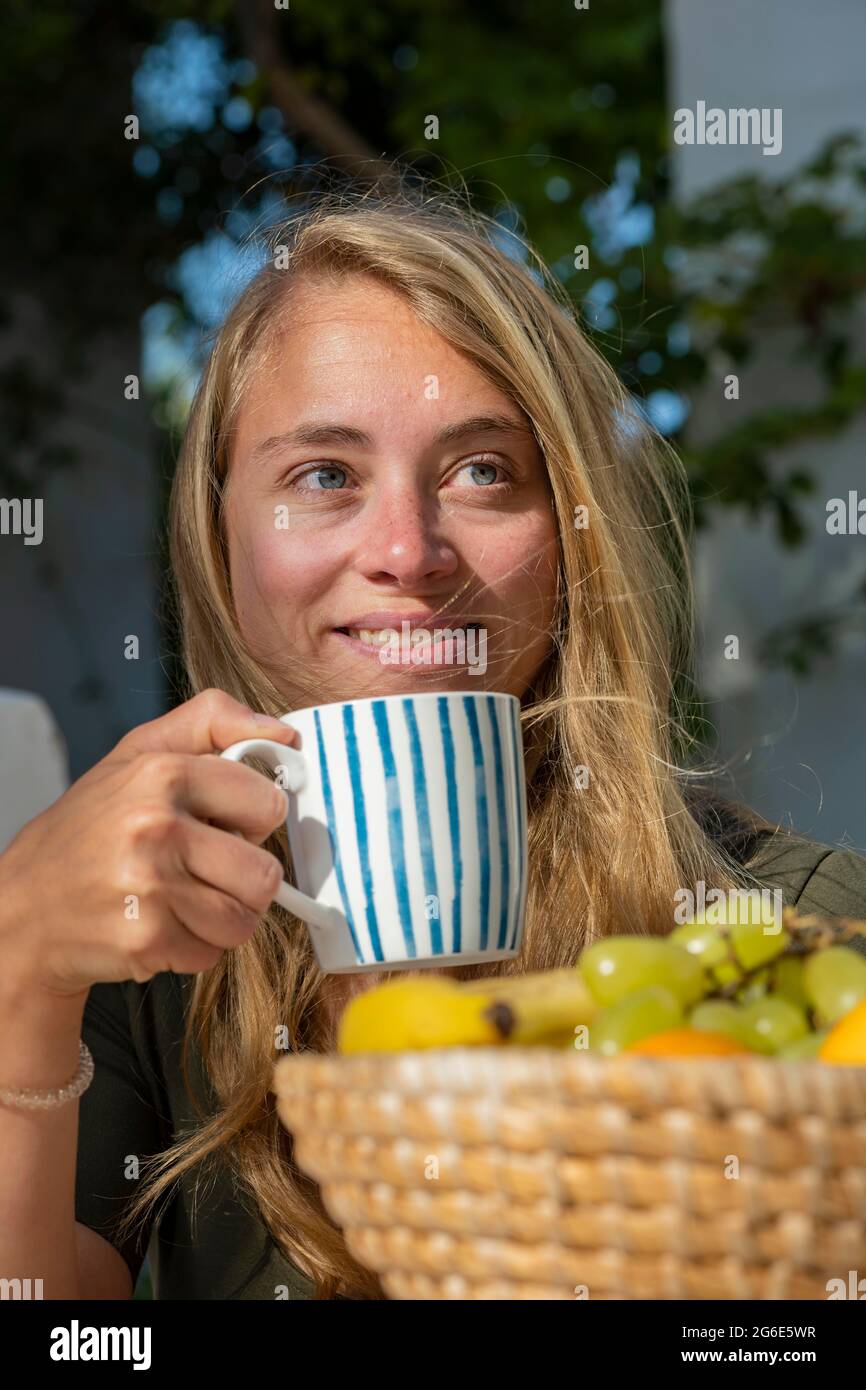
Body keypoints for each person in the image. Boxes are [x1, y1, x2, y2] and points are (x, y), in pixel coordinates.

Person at [2, 179, 865, 1302]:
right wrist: (20, 969)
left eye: (481, 471)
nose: (408, 552)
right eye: (324, 476)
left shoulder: (791, 938)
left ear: (568, 535)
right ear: (220, 545)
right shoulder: (144, 955)